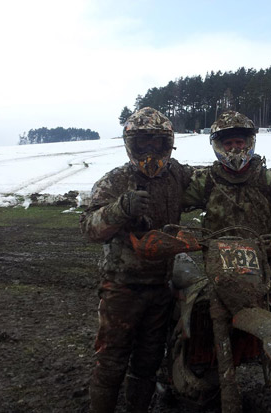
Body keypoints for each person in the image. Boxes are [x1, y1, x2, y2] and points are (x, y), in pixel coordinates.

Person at [182, 110, 271, 412]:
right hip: (219, 271)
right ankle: (199, 370)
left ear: (251, 143)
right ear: (218, 146)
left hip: (265, 271)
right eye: (227, 143)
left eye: (239, 143)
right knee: (202, 318)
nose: (234, 149)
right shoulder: (207, 180)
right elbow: (175, 200)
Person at [80, 107, 193, 413]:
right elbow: (90, 228)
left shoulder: (177, 175)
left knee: (149, 361)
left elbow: (212, 184)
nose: (150, 152)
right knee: (111, 360)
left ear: (168, 144)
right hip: (122, 287)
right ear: (130, 145)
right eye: (142, 144)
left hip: (160, 286)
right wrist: (120, 209)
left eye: (157, 144)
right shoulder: (115, 181)